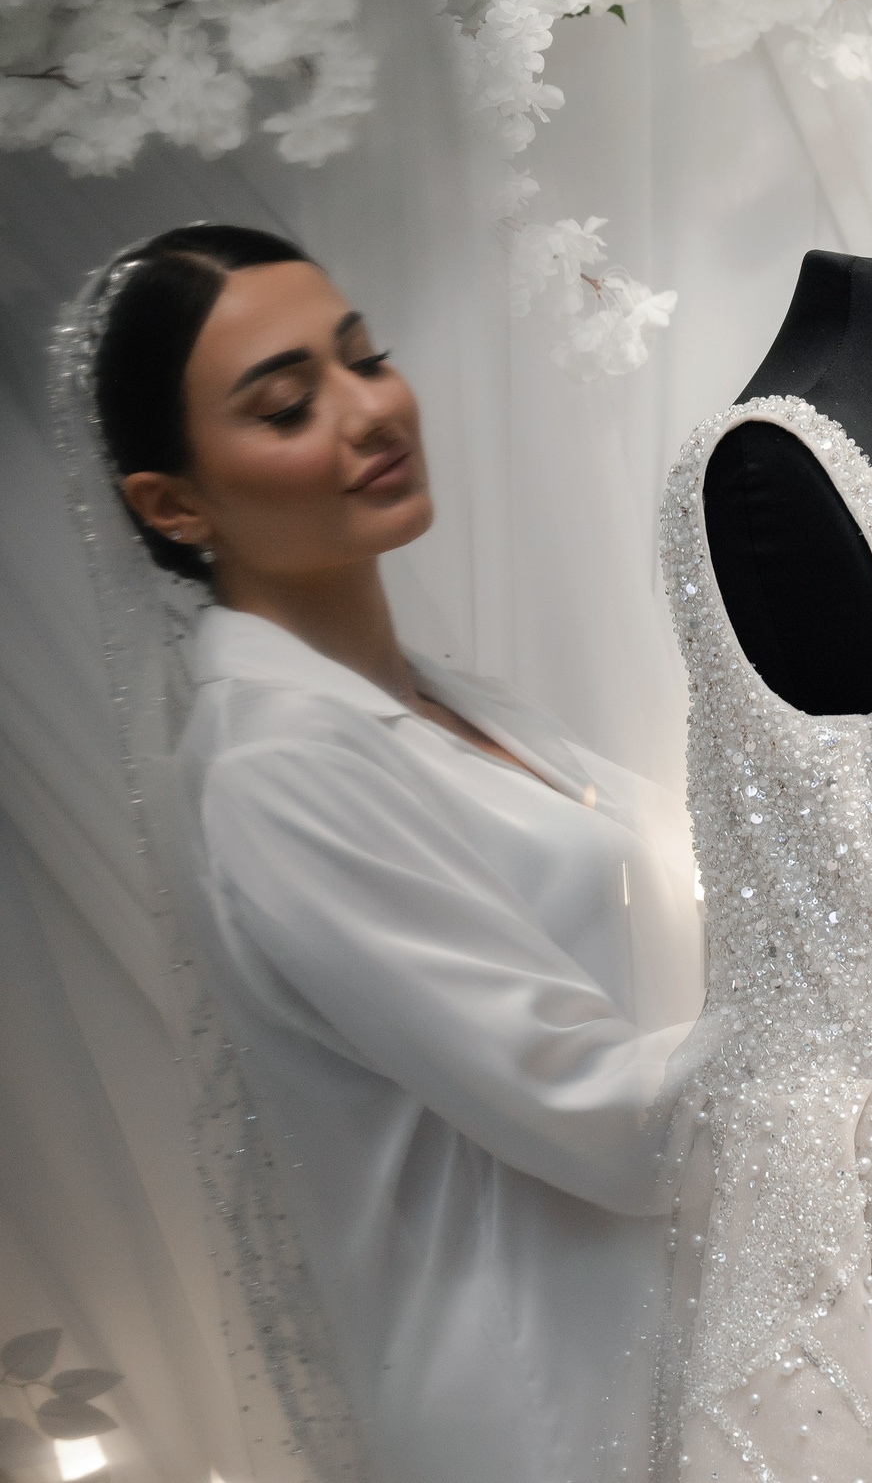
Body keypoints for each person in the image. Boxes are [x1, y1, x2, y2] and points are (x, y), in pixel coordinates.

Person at [64, 225, 704, 1483]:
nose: (367, 412)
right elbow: (609, 1117)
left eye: (367, 358)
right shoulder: (278, 770)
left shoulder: (443, 699)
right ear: (172, 501)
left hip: (668, 1332)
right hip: (554, 1403)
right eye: (290, 403)